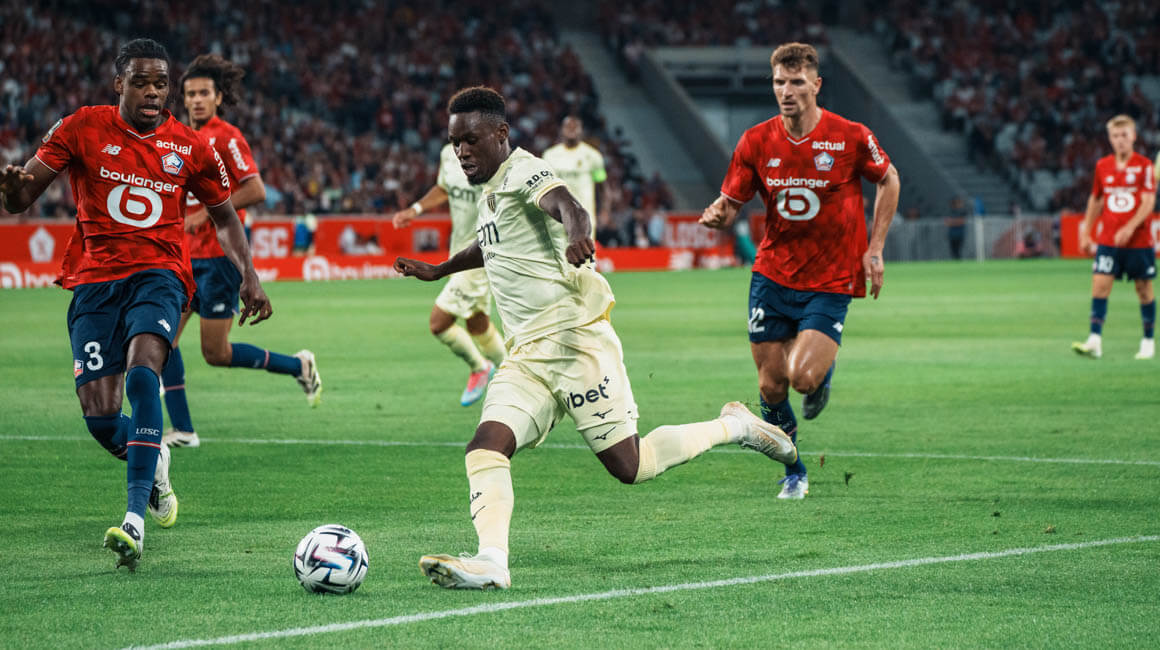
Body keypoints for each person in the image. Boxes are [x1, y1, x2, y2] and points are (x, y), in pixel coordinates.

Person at [394, 86, 798, 590]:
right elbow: (490, 243)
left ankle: (733, 426)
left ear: (500, 134)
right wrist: (440, 269)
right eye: (455, 142)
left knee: (632, 465)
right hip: (527, 355)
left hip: (575, 343)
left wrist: (578, 234)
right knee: (485, 447)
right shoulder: (493, 189)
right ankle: (492, 561)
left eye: (471, 140)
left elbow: (568, 205)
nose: (461, 152)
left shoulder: (524, 170)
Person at [0, 39, 272, 570]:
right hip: (95, 282)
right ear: (118, 84)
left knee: (145, 375)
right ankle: (155, 456)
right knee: (101, 419)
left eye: (160, 84)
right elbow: (22, 195)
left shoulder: (190, 146)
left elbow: (225, 216)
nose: (153, 93)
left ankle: (133, 520)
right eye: (142, 82)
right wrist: (10, 190)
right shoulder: (82, 127)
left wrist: (249, 274)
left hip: (161, 275)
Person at [701, 43, 900, 500]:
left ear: (816, 84)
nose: (786, 91)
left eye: (796, 82)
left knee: (802, 378)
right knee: (771, 386)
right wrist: (718, 213)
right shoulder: (755, 141)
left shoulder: (849, 136)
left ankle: (821, 371)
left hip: (830, 278)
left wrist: (875, 249)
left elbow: (889, 178)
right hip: (772, 274)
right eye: (779, 82)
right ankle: (795, 469)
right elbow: (731, 202)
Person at [160, 54, 321, 450]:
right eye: (190, 94)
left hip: (220, 259)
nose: (197, 100)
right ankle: (184, 430)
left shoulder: (227, 137)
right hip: (184, 259)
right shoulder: (177, 136)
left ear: (218, 98)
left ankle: (298, 365)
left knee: (215, 353)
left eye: (204, 93)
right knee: (163, 342)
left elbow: (255, 189)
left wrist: (205, 213)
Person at [391, 142, 506, 406]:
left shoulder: (491, 156)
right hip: (459, 253)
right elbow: (444, 188)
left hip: (480, 254)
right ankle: (515, 373)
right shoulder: (447, 153)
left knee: (438, 323)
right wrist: (415, 210)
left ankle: (480, 367)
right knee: (478, 325)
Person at [1071, 115, 1156, 361]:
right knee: (1099, 285)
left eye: (1124, 135)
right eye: (1116, 136)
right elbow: (1096, 200)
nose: (1120, 140)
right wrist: (1086, 232)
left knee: (1143, 289)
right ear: (1109, 138)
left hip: (1139, 241)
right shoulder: (1103, 166)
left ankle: (1148, 341)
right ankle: (1095, 340)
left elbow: (1148, 202)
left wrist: (1130, 227)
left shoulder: (1144, 166)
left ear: (1134, 137)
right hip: (1108, 239)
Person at [542, 116, 610, 240]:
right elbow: (544, 187)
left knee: (585, 252)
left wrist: (605, 211)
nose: (571, 130)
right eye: (568, 127)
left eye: (575, 127)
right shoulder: (550, 156)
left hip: (584, 217)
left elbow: (602, 187)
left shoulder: (593, 156)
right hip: (557, 218)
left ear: (581, 130)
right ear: (562, 130)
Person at [945, 196, 968, 260]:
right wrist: (954, 222)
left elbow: (962, 221)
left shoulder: (962, 212)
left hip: (959, 234)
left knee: (958, 251)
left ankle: (958, 262)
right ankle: (955, 262)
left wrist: (952, 222)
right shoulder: (951, 211)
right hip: (952, 235)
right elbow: (946, 222)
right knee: (953, 251)